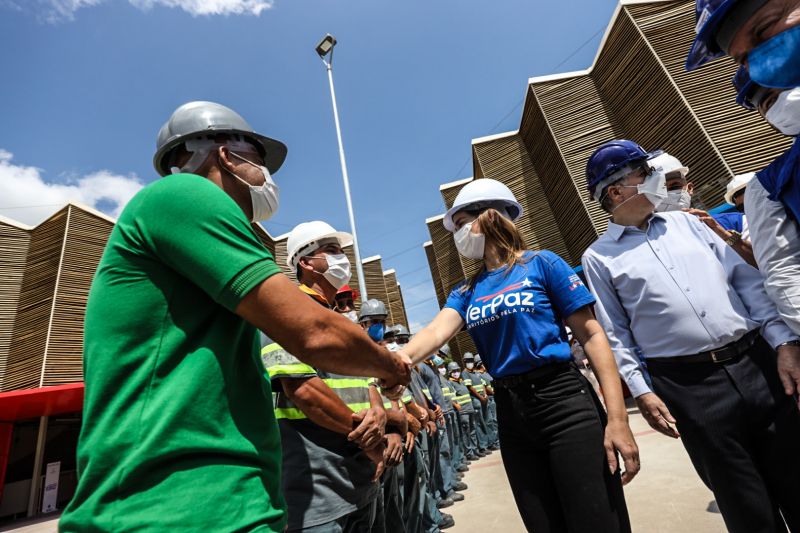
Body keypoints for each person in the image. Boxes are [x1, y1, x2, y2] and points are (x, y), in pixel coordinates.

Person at [59, 102, 410, 532]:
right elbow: (315, 333)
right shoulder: (183, 195)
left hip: (223, 502)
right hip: (171, 508)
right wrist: (392, 366)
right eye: (261, 161)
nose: (268, 177)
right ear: (227, 155)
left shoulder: (210, 244)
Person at [581, 138, 800, 533]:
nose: (657, 180)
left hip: (757, 365)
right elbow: (616, 334)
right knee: (747, 508)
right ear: (616, 191)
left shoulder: (691, 224)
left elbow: (748, 287)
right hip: (690, 388)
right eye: (644, 174)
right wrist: (642, 391)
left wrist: (783, 343)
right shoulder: (599, 258)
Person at [397, 178, 639, 532]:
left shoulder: (543, 264)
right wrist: (395, 360)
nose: (459, 233)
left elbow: (592, 335)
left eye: (462, 222)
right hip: (512, 411)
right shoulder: (466, 291)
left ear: (489, 216)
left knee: (596, 518)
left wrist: (618, 419)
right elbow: (435, 333)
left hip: (564, 404)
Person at [261, 221, 389, 532]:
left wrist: (380, 415)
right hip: (318, 492)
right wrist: (367, 439)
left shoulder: (343, 324)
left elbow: (368, 382)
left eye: (341, 251)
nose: (341, 259)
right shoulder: (286, 314)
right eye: (330, 251)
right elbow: (303, 391)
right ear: (305, 263)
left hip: (361, 480)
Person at [688, 0, 800, 336]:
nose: (768, 63)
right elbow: (784, 276)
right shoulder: (771, 187)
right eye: (746, 59)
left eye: (766, 30)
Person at [652, 151, 757, 265]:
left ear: (690, 189)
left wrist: (725, 236)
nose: (668, 194)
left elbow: (766, 263)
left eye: (675, 186)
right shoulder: (655, 244)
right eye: (659, 190)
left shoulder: (735, 221)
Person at [447, 361, 480, 461]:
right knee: (465, 432)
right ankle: (469, 453)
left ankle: (475, 450)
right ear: (450, 373)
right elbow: (451, 398)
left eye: (457, 370)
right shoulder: (450, 383)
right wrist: (458, 407)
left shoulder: (461, 381)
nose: (456, 372)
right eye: (454, 371)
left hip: (470, 409)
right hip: (463, 412)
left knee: (472, 431)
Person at [460, 352, 491, 455]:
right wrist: (480, 397)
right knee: (478, 423)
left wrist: (485, 394)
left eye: (471, 360)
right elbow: (470, 387)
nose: (470, 363)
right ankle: (482, 446)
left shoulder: (475, 373)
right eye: (468, 361)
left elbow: (482, 384)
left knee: (487, 421)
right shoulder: (465, 373)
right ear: (464, 362)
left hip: (483, 399)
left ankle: (488, 443)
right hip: (476, 400)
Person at [474, 355, 500, 448]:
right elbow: (485, 387)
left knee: (496, 419)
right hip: (490, 398)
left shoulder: (487, 373)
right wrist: (493, 393)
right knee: (493, 420)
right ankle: (495, 441)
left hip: (493, 397)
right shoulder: (478, 375)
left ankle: (497, 439)